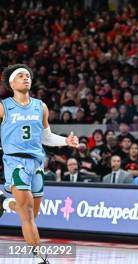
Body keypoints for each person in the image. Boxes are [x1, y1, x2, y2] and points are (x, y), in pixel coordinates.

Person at [0, 64, 78, 264]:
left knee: (33, 214)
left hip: (36, 163)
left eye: (28, 75)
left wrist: (65, 142)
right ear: (11, 83)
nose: (26, 78)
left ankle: (4, 203)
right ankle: (40, 258)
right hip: (15, 161)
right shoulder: (3, 106)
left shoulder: (40, 106)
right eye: (21, 76)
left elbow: (46, 136)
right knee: (26, 212)